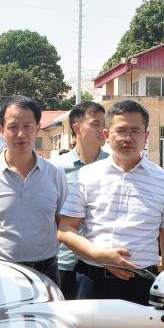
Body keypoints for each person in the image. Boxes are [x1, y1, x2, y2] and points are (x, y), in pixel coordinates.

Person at [57, 100, 164, 328]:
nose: (128, 137)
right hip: (91, 281)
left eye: (135, 131)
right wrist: (99, 255)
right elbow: (66, 229)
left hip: (141, 285)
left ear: (146, 136)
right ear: (107, 135)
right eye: (121, 130)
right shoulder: (88, 175)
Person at [0, 95, 68, 285]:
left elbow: (62, 223)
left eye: (28, 126)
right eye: (13, 127)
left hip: (46, 271)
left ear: (37, 128)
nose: (21, 134)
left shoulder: (54, 173)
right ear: (1, 130)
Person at [50, 101, 108, 299]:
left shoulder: (114, 165)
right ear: (76, 128)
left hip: (100, 265)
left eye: (104, 124)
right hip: (63, 263)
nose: (102, 130)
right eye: (95, 124)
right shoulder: (56, 168)